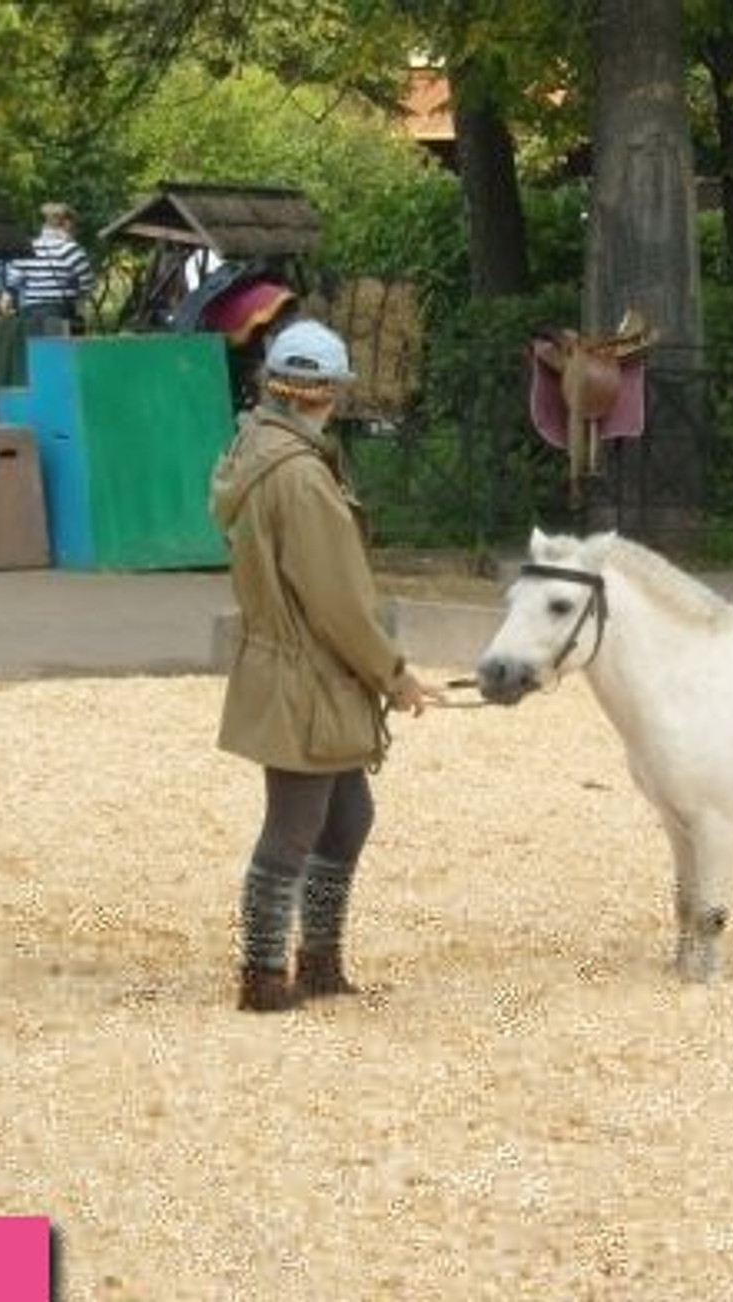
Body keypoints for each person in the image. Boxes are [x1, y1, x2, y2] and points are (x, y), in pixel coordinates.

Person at [209, 318, 444, 1012]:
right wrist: (394, 676)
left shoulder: (256, 446)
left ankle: (317, 960)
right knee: (294, 824)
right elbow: (339, 602)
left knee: (346, 817)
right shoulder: (303, 478)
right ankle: (262, 975)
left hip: (299, 668)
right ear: (327, 393)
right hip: (307, 672)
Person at [4, 201, 95, 332]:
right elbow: (87, 285)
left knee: (34, 352)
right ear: (67, 223)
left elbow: (12, 285)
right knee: (58, 352)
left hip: (29, 315)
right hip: (60, 316)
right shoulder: (71, 249)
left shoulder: (27, 248)